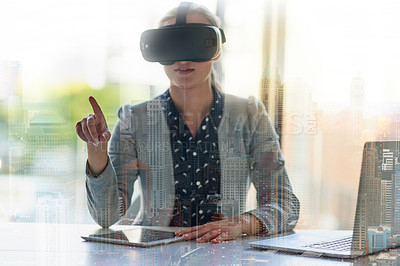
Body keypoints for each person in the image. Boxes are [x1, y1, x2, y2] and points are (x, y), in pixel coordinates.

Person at [75, 2, 299, 243]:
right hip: (154, 255)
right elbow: (106, 216)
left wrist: (241, 224)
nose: (182, 58)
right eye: (171, 46)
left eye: (194, 42)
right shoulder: (134, 120)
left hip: (225, 255)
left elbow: (285, 204)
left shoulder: (250, 115)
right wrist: (96, 154)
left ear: (216, 48)